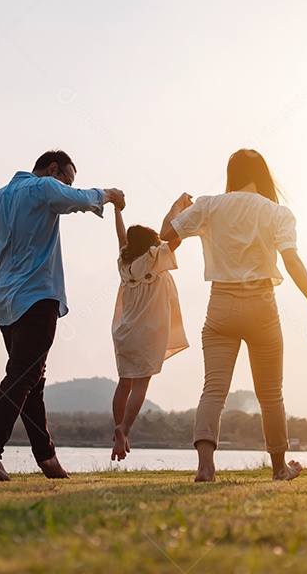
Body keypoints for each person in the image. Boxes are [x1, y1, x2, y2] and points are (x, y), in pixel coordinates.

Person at [0, 150, 125, 482]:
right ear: (52, 169)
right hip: (38, 297)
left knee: (32, 381)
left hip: (7, 304)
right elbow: (78, 199)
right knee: (23, 377)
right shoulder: (42, 188)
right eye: (66, 180)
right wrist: (109, 195)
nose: (67, 186)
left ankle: (47, 459)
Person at [161, 149, 307, 482]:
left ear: (232, 173)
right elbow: (291, 261)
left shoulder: (208, 205)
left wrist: (177, 208)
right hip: (262, 303)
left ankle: (205, 468)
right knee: (270, 394)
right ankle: (279, 468)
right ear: (262, 175)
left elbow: (166, 237)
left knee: (213, 391)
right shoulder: (277, 212)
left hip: (221, 303)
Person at [109, 194, 192, 461]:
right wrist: (178, 210)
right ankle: (125, 429)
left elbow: (121, 238)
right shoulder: (154, 258)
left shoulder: (124, 262)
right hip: (147, 333)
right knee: (141, 384)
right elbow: (175, 238)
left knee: (125, 383)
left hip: (124, 332)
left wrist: (117, 211)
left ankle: (118, 429)